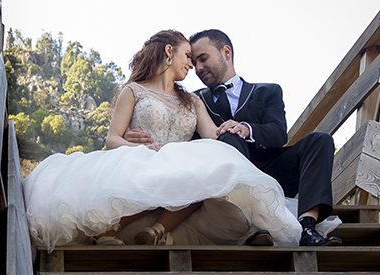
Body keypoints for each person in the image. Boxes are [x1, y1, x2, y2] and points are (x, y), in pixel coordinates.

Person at [25, 30, 302, 249]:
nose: (192, 65)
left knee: (196, 176)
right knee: (155, 173)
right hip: (141, 158)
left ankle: (156, 230)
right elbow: (112, 139)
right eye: (187, 56)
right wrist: (137, 146)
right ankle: (110, 228)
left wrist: (236, 127)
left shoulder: (193, 100)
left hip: (177, 164)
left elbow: (213, 136)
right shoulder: (133, 91)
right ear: (169, 52)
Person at [126, 29, 339, 246]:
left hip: (271, 172)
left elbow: (278, 133)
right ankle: (246, 225)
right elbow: (175, 132)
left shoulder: (268, 91)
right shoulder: (192, 100)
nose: (197, 68)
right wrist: (133, 133)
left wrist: (246, 128)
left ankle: (307, 227)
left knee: (320, 140)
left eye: (203, 59)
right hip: (225, 186)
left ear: (226, 52)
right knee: (228, 138)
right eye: (194, 62)